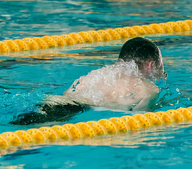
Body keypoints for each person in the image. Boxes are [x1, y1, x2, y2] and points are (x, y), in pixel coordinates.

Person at [10, 37, 167, 125]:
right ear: (150, 65)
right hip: (76, 114)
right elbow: (139, 124)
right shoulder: (149, 89)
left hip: (55, 102)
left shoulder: (98, 73)